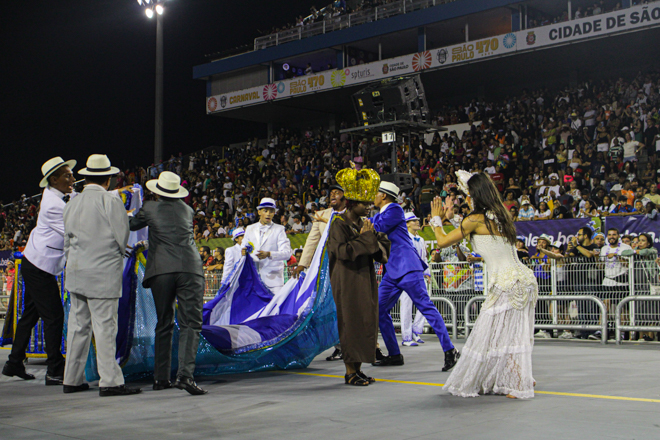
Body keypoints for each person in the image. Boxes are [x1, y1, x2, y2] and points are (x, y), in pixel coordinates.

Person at [432, 171, 538, 399]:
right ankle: (521, 375)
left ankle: (519, 381)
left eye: (466, 194)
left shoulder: (475, 220)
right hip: (524, 279)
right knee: (510, 333)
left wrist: (436, 220)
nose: (465, 198)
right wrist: (451, 217)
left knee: (491, 334)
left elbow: (441, 241)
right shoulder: (500, 215)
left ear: (474, 194)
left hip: (506, 284)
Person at [62, 154, 141, 396]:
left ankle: (72, 379)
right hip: (102, 273)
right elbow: (122, 236)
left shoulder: (72, 202)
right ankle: (110, 381)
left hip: (76, 272)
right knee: (105, 327)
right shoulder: (111, 200)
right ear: (108, 180)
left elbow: (67, 240)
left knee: (78, 326)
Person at [129, 171, 207, 395]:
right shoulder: (188, 210)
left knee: (164, 322)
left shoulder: (150, 208)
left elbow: (132, 225)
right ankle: (185, 376)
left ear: (157, 191)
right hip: (190, 268)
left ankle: (160, 379)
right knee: (191, 323)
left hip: (162, 270)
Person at [370, 181, 459, 371]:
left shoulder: (394, 209)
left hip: (408, 267)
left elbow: (377, 227)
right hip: (393, 270)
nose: (373, 196)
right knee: (377, 309)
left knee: (426, 307)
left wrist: (360, 221)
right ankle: (394, 354)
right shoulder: (381, 213)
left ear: (384, 196)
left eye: (376, 193)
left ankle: (450, 350)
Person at [2, 157, 76, 386]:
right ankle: (55, 370)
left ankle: (14, 361)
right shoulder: (53, 205)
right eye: (67, 175)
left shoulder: (61, 195)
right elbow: (76, 229)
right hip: (39, 266)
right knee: (54, 317)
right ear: (54, 180)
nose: (72, 178)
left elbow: (80, 200)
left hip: (36, 263)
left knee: (30, 315)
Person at [328, 167, 390, 386]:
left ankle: (359, 369)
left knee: (365, 321)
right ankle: (349, 372)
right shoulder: (339, 225)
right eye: (365, 204)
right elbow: (342, 251)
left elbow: (381, 246)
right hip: (346, 280)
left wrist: (369, 238)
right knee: (350, 323)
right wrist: (366, 239)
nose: (369, 207)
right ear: (353, 203)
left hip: (365, 278)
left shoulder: (363, 225)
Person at [294, 184, 346, 361]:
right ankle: (339, 346)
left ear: (345, 197)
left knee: (347, 305)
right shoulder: (321, 215)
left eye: (337, 193)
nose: (333, 195)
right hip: (328, 267)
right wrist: (302, 264)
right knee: (329, 306)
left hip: (348, 265)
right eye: (331, 193)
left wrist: (330, 222)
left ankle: (355, 343)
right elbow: (312, 240)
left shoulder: (351, 213)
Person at [241, 197, 292, 294]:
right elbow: (244, 247)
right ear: (259, 212)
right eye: (265, 211)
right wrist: (242, 251)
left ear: (274, 213)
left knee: (275, 308)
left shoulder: (279, 229)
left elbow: (287, 253)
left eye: (271, 211)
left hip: (273, 281)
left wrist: (269, 254)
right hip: (253, 280)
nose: (268, 214)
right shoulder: (250, 229)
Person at [399, 212, 432, 346]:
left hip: (419, 275)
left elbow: (423, 258)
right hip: (407, 275)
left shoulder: (421, 239)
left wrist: (427, 272)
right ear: (406, 224)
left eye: (417, 220)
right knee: (406, 305)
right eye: (413, 221)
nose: (417, 222)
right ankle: (406, 337)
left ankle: (416, 330)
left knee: (424, 302)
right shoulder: (404, 238)